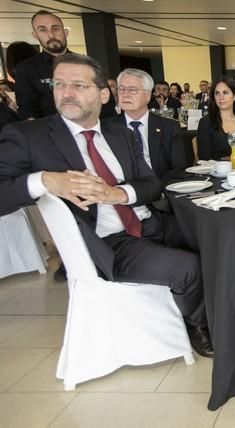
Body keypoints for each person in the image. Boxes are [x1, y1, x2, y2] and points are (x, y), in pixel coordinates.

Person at [0, 53, 214, 358]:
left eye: (78, 85)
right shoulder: (30, 137)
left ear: (103, 95)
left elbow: (151, 184)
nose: (67, 92)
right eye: (60, 84)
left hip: (148, 221)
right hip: (109, 242)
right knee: (189, 268)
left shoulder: (119, 134)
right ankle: (199, 323)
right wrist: (45, 180)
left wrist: (119, 194)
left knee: (219, 240)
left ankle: (223, 311)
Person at [14, 10, 116, 120]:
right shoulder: (26, 69)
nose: (51, 34)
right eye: (42, 30)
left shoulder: (88, 64)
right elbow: (28, 110)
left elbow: (106, 105)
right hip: (49, 133)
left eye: (55, 28)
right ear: (35, 35)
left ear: (65, 32)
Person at [104, 69, 186, 183]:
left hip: (161, 191)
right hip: (122, 193)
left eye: (132, 90)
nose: (125, 94)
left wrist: (155, 189)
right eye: (121, 89)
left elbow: (178, 168)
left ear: (147, 95)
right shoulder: (106, 128)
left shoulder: (169, 127)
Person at [196, 77, 235, 161]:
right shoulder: (206, 122)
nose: (221, 97)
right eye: (217, 93)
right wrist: (231, 159)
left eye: (225, 93)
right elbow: (204, 158)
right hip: (216, 172)